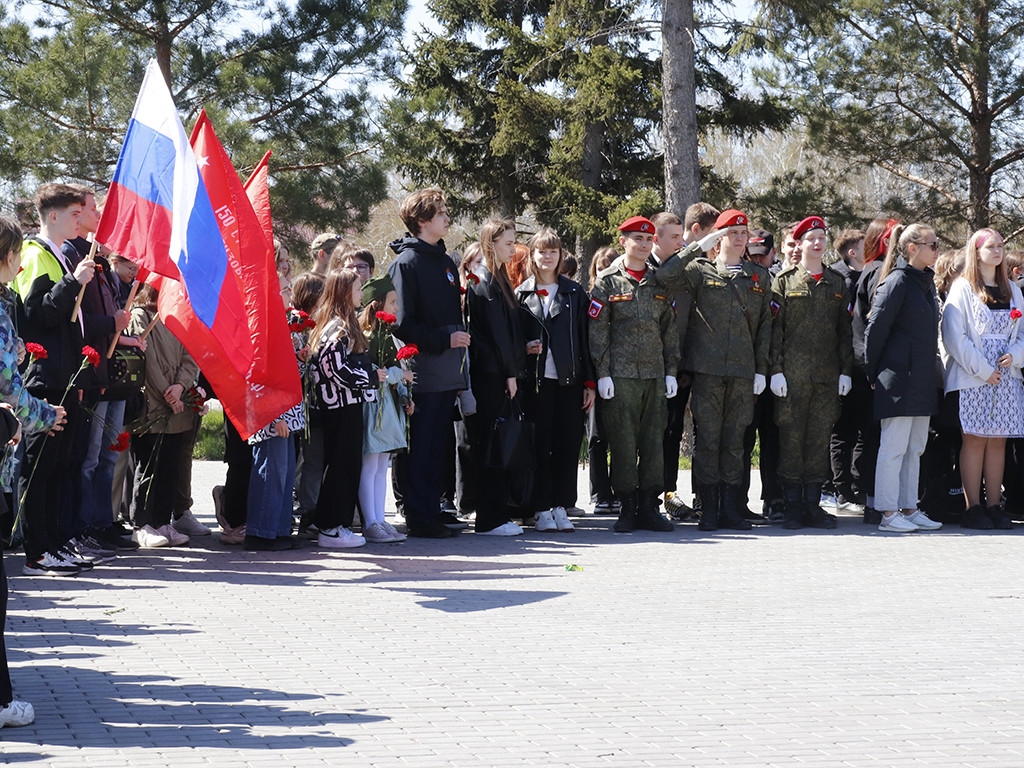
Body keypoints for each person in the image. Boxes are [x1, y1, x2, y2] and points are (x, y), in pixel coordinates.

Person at [655, 209, 772, 530]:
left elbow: (764, 328)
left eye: (742, 232)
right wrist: (696, 246)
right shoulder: (699, 270)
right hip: (706, 370)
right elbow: (664, 276)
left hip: (743, 371)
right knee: (707, 440)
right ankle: (708, 507)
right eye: (731, 232)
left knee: (735, 441)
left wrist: (761, 369)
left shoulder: (758, 276)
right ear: (718, 238)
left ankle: (731, 507)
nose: (738, 238)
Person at [14, 183, 97, 573]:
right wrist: (73, 282)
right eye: (74, 214)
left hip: (66, 377)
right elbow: (35, 317)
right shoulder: (34, 255)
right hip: (44, 379)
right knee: (41, 467)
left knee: (61, 467)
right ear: (53, 216)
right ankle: (37, 550)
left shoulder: (61, 256)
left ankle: (56, 542)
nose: (80, 220)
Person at [386, 189, 469, 538]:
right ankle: (418, 515)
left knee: (438, 446)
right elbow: (402, 322)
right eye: (441, 212)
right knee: (420, 446)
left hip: (448, 370)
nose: (447, 217)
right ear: (421, 221)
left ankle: (433, 510)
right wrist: (443, 340)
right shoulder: (406, 264)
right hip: (422, 371)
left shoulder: (446, 261)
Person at [590, 216, 680, 532]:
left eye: (647, 239)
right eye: (636, 239)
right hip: (621, 376)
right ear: (623, 242)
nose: (643, 244)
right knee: (624, 443)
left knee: (653, 442)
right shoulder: (607, 281)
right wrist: (602, 374)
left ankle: (648, 506)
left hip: (654, 375)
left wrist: (671, 372)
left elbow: (669, 330)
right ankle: (627, 507)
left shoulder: (659, 281)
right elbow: (598, 330)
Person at [769, 216, 854, 530]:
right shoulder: (784, 281)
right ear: (800, 243)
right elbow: (774, 332)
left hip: (827, 377)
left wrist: (846, 371)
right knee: (791, 440)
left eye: (821, 238)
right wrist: (775, 370)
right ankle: (792, 505)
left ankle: (811, 504)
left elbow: (844, 332)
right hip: (791, 378)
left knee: (818, 441)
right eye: (810, 238)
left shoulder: (836, 283)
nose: (817, 243)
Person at [940, 228, 1024, 529]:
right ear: (976, 252)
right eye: (991, 246)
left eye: (1001, 246)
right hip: (974, 376)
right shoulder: (962, 288)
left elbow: (1023, 333)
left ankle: (994, 505)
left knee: (998, 440)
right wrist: (983, 370)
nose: (998, 251)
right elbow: (954, 336)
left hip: (1005, 376)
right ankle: (972, 505)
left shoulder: (1013, 290)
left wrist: (1015, 355)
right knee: (974, 439)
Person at [864, 223, 943, 532]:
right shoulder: (896, 281)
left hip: (921, 377)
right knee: (894, 447)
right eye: (932, 245)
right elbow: (875, 331)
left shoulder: (927, 283)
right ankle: (887, 512)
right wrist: (874, 372)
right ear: (913, 248)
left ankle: (909, 508)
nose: (937, 250)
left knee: (915, 448)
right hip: (897, 378)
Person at [516, 227, 596, 533]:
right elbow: (514, 339)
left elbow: (585, 341)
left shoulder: (574, 293)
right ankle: (540, 508)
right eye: (542, 251)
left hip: (569, 381)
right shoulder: (521, 293)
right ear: (533, 255)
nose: (547, 257)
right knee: (540, 445)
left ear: (561, 255)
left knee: (567, 444)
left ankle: (562, 505)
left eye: (553, 251)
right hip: (536, 382)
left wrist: (589, 383)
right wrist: (525, 348)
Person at [309, 268, 385, 548]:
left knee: (346, 465)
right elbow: (331, 366)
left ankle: (334, 523)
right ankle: (330, 527)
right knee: (341, 465)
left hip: (348, 403)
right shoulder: (337, 328)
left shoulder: (342, 324)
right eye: (356, 289)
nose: (360, 294)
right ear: (343, 293)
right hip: (339, 404)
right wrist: (369, 378)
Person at [652, 204, 719, 520]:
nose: (680, 243)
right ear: (657, 237)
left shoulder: (691, 269)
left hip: (681, 368)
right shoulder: (649, 268)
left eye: (682, 237)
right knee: (654, 433)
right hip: (649, 366)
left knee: (674, 430)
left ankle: (670, 495)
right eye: (675, 237)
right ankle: (651, 497)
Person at [465, 220, 529, 535]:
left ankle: (497, 513)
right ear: (491, 244)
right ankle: (490, 518)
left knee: (500, 443)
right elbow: (497, 334)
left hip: (498, 371)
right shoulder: (483, 281)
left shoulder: (498, 278)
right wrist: (510, 373)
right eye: (507, 242)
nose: (513, 248)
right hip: (491, 375)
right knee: (493, 443)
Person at [126, 285, 199, 547]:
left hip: (176, 402)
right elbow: (145, 360)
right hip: (152, 403)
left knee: (170, 466)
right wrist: (167, 393)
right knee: (148, 465)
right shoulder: (141, 315)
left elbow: (191, 355)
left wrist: (180, 386)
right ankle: (142, 524)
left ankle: (163, 521)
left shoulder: (177, 316)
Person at [852, 217, 900, 523]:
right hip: (873, 369)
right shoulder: (876, 273)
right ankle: (872, 500)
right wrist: (871, 369)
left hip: (876, 368)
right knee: (874, 437)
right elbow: (872, 327)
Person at [358, 274, 411, 543]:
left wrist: (405, 395)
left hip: (388, 406)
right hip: (373, 406)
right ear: (376, 304)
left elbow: (395, 370)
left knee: (381, 464)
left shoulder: (387, 336)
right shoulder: (368, 338)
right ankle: (370, 521)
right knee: (371, 464)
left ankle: (380, 517)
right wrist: (398, 377)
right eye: (391, 302)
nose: (396, 308)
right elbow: (374, 372)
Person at [829, 228, 868, 511]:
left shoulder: (864, 276)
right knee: (842, 429)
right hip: (842, 362)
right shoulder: (840, 279)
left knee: (859, 428)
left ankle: (856, 487)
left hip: (859, 361)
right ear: (852, 252)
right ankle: (840, 489)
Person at [586, 246, 620, 515]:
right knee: (597, 436)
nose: (604, 272)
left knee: (620, 434)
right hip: (595, 376)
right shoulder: (586, 300)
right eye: (600, 268)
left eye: (610, 266)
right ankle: (600, 493)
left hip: (621, 372)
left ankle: (620, 490)